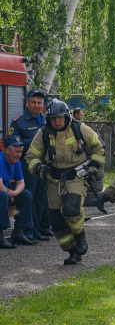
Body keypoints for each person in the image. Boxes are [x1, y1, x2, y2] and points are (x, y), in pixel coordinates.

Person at [26, 100, 105, 265]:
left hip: (77, 177)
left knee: (71, 209)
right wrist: (39, 167)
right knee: (56, 222)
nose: (56, 121)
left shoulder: (79, 129)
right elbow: (31, 156)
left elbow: (99, 148)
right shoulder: (43, 134)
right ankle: (72, 251)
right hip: (54, 180)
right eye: (53, 118)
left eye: (60, 118)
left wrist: (93, 167)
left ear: (66, 116)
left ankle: (79, 235)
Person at [9, 88, 53, 242]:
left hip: (43, 165)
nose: (36, 105)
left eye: (39, 103)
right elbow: (12, 142)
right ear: (27, 103)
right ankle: (23, 231)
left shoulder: (46, 119)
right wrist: (36, 142)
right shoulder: (19, 121)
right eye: (33, 102)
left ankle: (35, 229)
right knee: (28, 197)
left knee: (41, 198)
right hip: (27, 166)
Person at [0, 135, 36, 248]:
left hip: (6, 193)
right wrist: (9, 195)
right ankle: (0, 236)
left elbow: (21, 183)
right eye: (17, 151)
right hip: (2, 193)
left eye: (21, 151)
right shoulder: (0, 160)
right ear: (8, 150)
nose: (20, 154)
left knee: (26, 195)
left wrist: (14, 194)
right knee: (3, 195)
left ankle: (19, 232)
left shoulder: (17, 162)